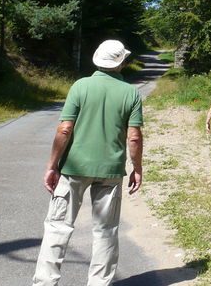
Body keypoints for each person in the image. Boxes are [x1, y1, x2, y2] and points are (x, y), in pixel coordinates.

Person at [32, 39, 143, 286]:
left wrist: (52, 165)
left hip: (73, 168)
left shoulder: (80, 86)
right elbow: (133, 137)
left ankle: (45, 282)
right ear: (120, 63)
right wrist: (137, 168)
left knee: (57, 228)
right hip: (111, 171)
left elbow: (64, 130)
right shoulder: (131, 93)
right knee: (105, 231)